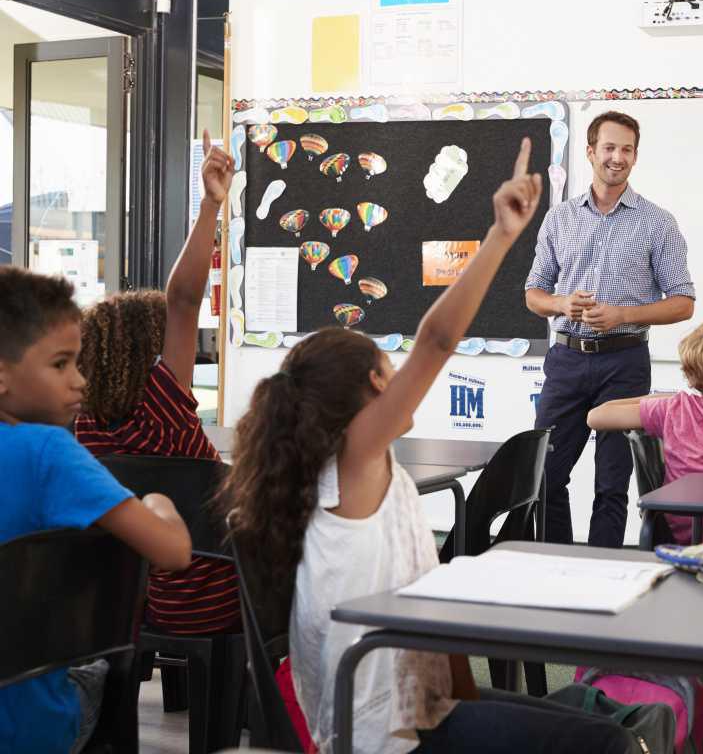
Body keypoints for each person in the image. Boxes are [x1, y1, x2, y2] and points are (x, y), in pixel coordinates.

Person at [219, 141, 633, 754]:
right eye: (388, 372)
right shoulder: (353, 465)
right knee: (606, 744)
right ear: (368, 395)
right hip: (388, 737)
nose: (401, 381)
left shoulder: (338, 476)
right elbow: (437, 339)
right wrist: (499, 235)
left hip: (415, 712)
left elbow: (433, 620)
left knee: (591, 724)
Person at [0, 266, 192, 753]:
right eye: (62, 364)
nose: (80, 381)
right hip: (30, 725)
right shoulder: (50, 453)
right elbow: (172, 552)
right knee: (95, 671)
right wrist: (159, 504)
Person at [74, 131, 240, 636]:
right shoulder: (162, 409)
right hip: (218, 596)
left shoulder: (82, 430)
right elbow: (185, 301)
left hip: (134, 607)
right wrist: (211, 207)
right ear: (153, 348)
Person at [525, 111, 696, 547]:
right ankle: (559, 563)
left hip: (624, 364)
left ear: (635, 157)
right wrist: (562, 304)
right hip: (565, 361)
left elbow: (683, 302)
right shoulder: (558, 219)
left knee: (611, 484)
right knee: (545, 474)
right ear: (590, 151)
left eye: (626, 150)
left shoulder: (658, 223)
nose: (617, 158)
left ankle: (603, 572)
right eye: (609, 148)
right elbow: (534, 293)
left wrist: (622, 315)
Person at [586, 318, 703, 544]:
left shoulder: (673, 409)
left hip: (681, 536)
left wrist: (666, 399)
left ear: (690, 377)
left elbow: (596, 416)